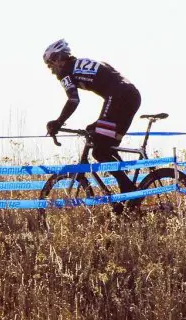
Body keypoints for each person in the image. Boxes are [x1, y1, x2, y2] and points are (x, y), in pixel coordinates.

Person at [43, 39, 142, 210]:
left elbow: (73, 100)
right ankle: (128, 191)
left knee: (99, 150)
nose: (51, 71)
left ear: (59, 58)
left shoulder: (66, 72)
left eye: (50, 64)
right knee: (102, 140)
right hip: (130, 94)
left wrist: (58, 122)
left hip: (118, 96)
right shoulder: (79, 64)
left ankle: (127, 189)